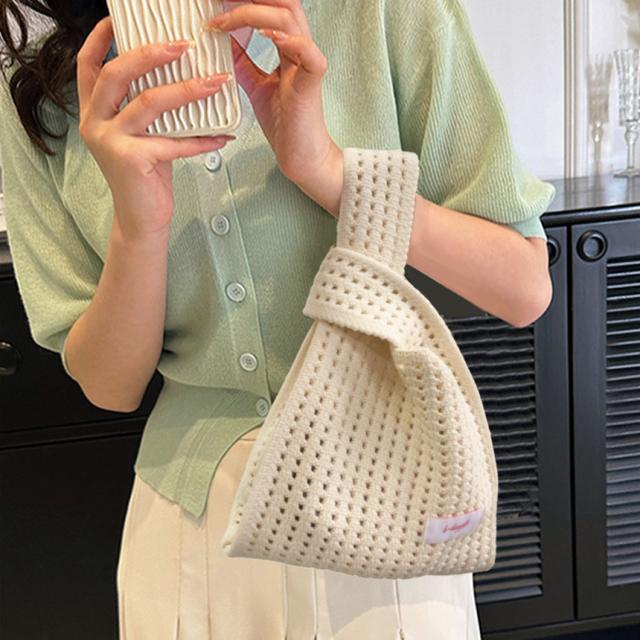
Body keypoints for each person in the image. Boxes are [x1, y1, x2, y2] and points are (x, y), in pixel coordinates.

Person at [0, 0, 555, 638]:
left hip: (384, 510)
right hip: (190, 532)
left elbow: (522, 286)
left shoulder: (386, 13)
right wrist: (138, 228)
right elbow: (110, 386)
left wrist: (328, 170)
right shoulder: (48, 89)